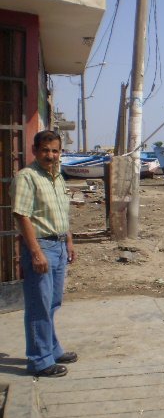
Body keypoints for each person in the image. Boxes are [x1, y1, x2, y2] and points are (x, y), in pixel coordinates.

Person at [10, 130, 77, 378]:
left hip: (58, 246)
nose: (51, 155)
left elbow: (60, 214)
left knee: (52, 303)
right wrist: (36, 252)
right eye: (46, 150)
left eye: (55, 150)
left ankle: (52, 348)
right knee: (39, 306)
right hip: (41, 247)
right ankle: (39, 360)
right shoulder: (27, 177)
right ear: (35, 151)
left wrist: (68, 241)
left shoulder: (58, 176)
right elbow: (21, 215)